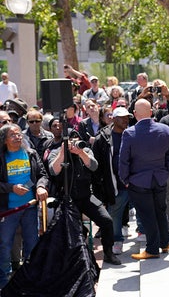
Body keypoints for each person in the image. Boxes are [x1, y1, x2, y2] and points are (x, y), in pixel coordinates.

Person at [48, 130, 121, 265]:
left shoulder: (86, 150)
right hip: (67, 197)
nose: (75, 143)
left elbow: (94, 166)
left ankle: (108, 252)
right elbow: (53, 170)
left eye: (77, 139)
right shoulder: (56, 152)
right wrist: (63, 152)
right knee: (74, 228)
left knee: (106, 220)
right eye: (72, 140)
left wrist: (81, 153)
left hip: (87, 196)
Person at [119, 99, 169, 260]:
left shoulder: (129, 133)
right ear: (151, 112)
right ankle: (164, 243)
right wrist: (166, 173)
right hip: (159, 178)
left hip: (138, 181)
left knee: (147, 215)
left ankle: (152, 249)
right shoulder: (164, 129)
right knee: (160, 211)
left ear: (134, 114)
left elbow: (123, 160)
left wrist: (125, 179)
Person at [0, 124, 49, 288]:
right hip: (7, 210)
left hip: (30, 207)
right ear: (5, 140)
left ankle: (30, 279)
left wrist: (41, 186)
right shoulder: (1, 156)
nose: (18, 137)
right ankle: (4, 282)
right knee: (5, 245)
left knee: (32, 243)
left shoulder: (31, 153)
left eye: (19, 134)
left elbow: (42, 174)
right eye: (13, 135)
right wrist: (11, 188)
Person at [92, 106, 132, 256]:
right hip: (115, 183)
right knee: (114, 213)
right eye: (122, 118)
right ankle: (117, 241)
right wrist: (100, 189)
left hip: (134, 181)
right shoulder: (102, 138)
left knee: (143, 207)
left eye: (127, 117)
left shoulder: (132, 133)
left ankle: (142, 231)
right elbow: (96, 166)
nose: (126, 120)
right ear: (114, 119)